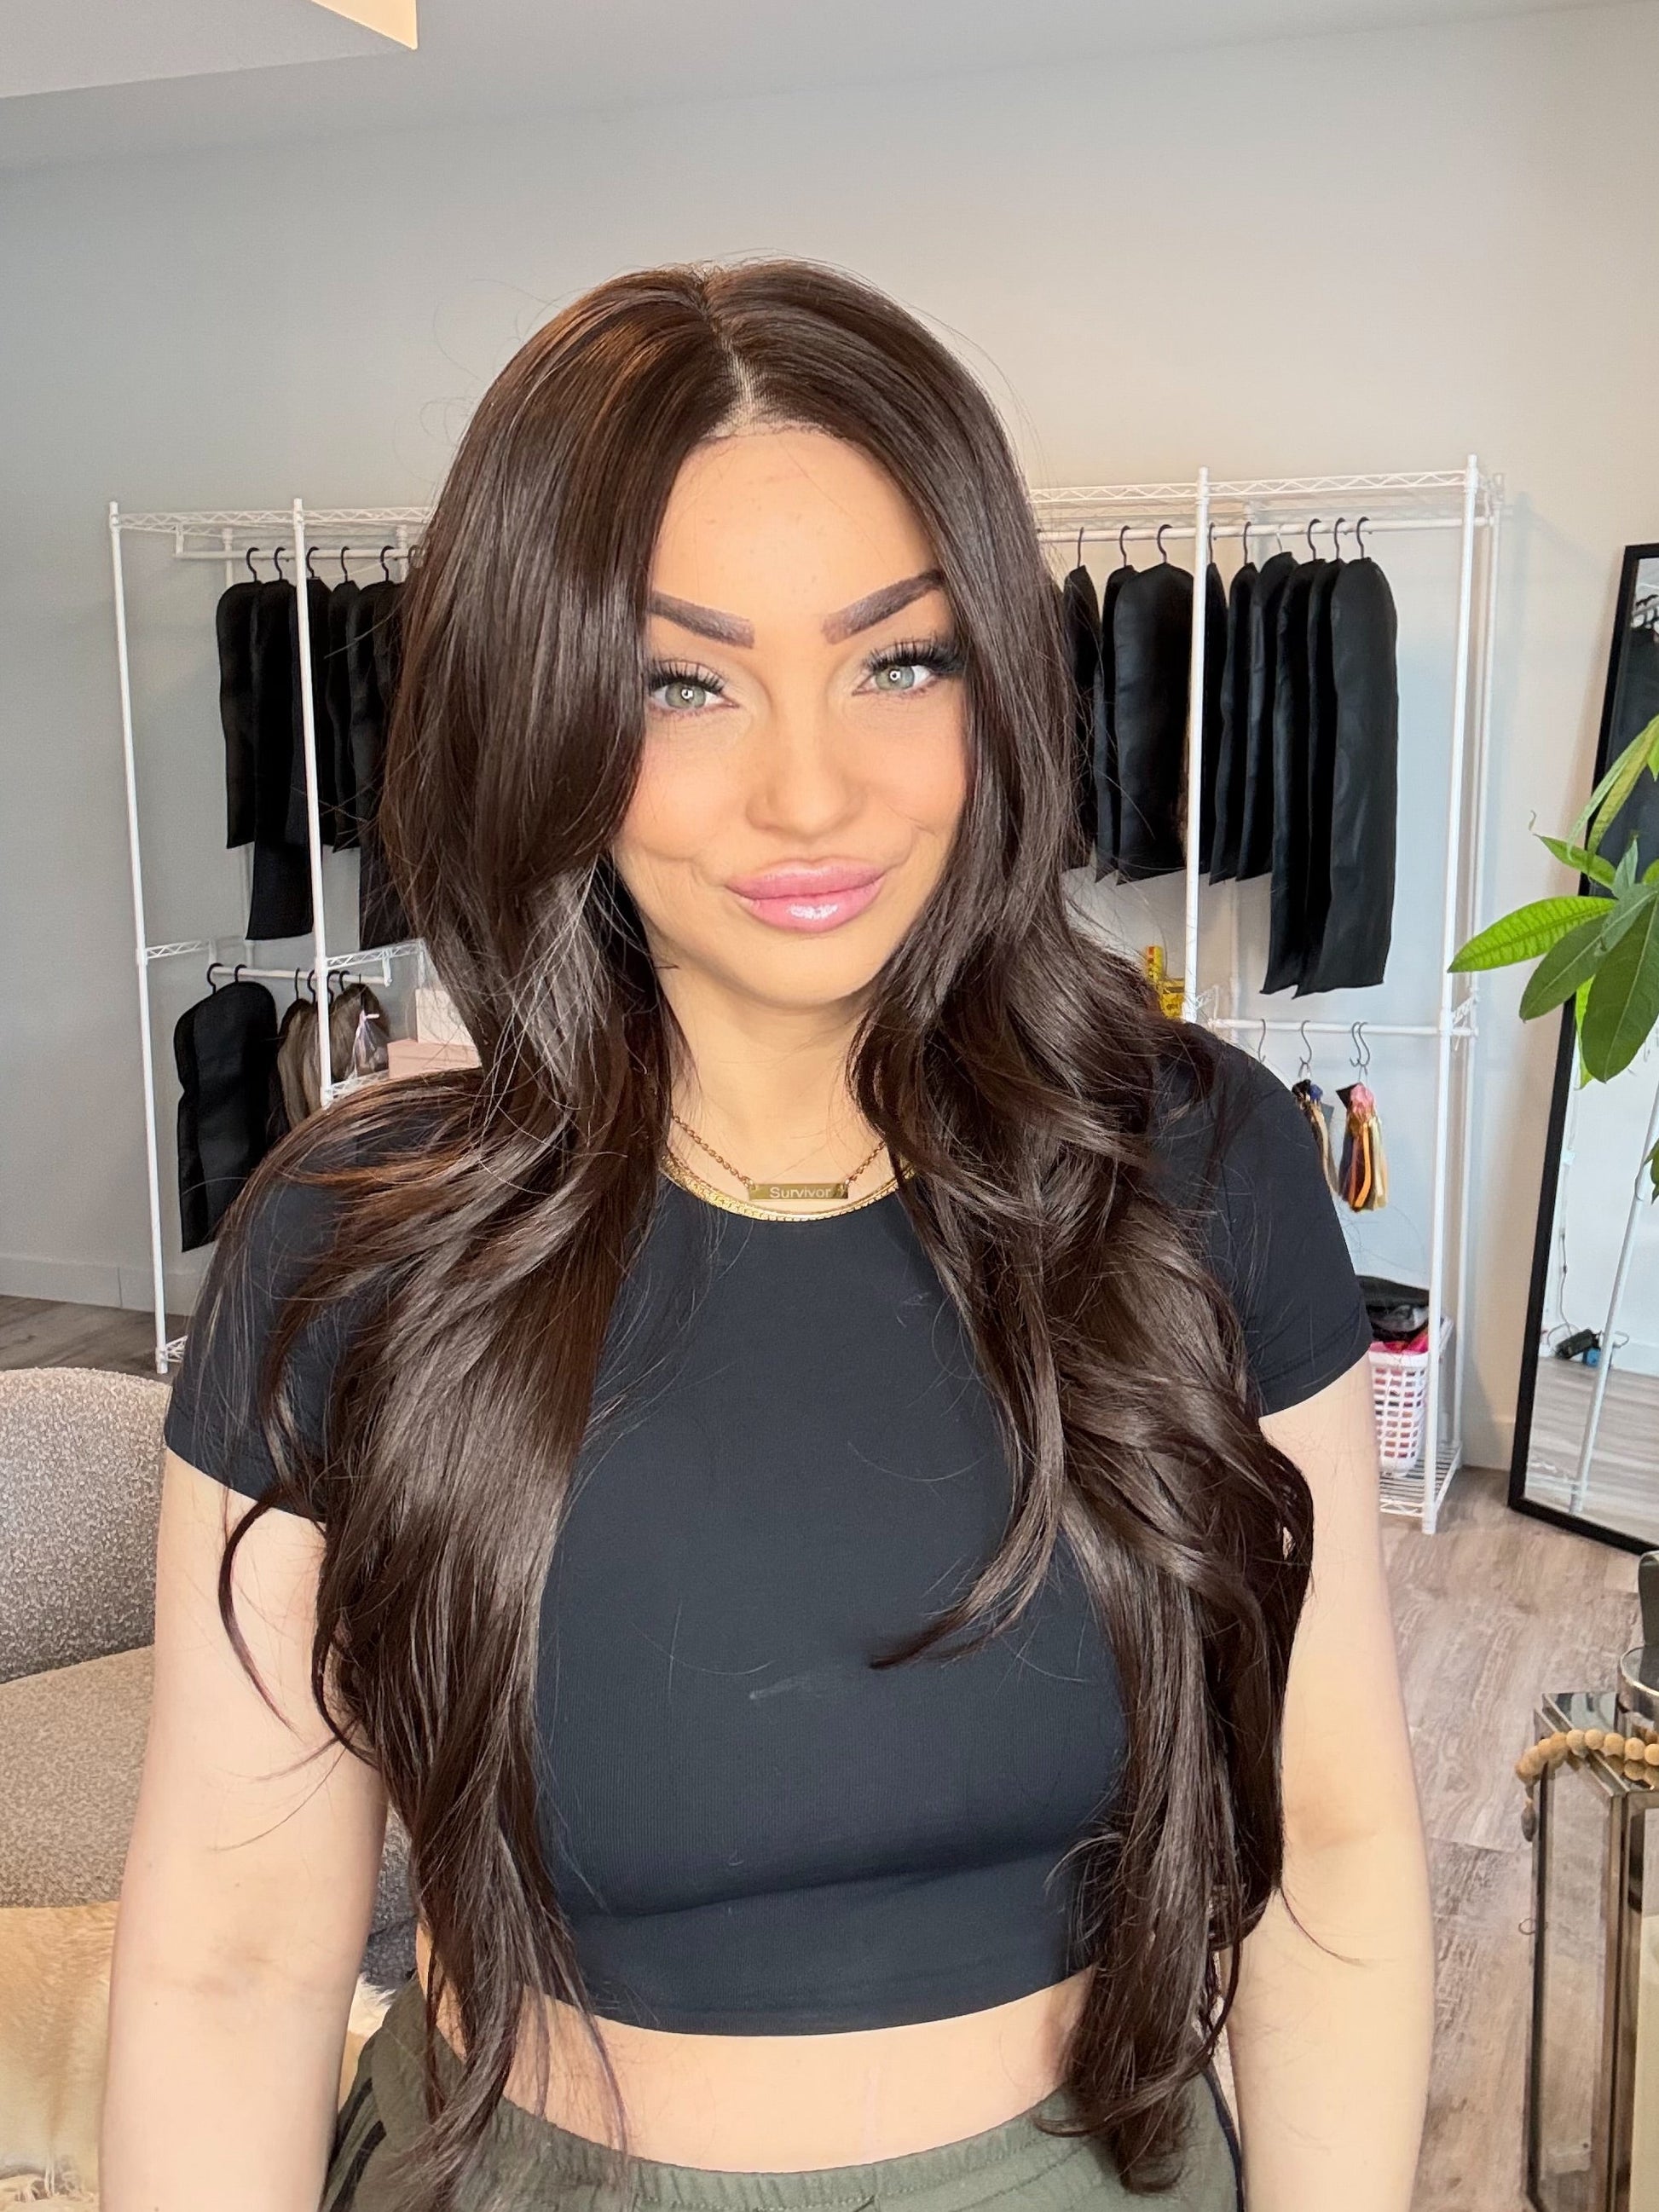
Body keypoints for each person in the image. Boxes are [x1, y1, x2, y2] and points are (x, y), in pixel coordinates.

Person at [101, 261, 1433, 2212]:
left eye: (897, 660)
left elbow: (1330, 1858)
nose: (813, 787)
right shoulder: (356, 1245)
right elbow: (229, 1960)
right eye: (680, 680)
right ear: (542, 706)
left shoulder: (1194, 1164)